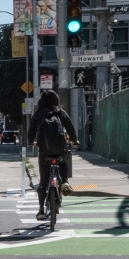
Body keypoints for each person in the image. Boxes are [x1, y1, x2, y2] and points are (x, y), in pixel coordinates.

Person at [27, 90, 78, 221]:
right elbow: (71, 128)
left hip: (44, 151)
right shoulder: (60, 113)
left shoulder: (39, 114)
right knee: (63, 162)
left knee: (43, 180)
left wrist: (31, 142)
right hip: (60, 149)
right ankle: (65, 182)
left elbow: (32, 129)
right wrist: (74, 140)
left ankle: (41, 210)